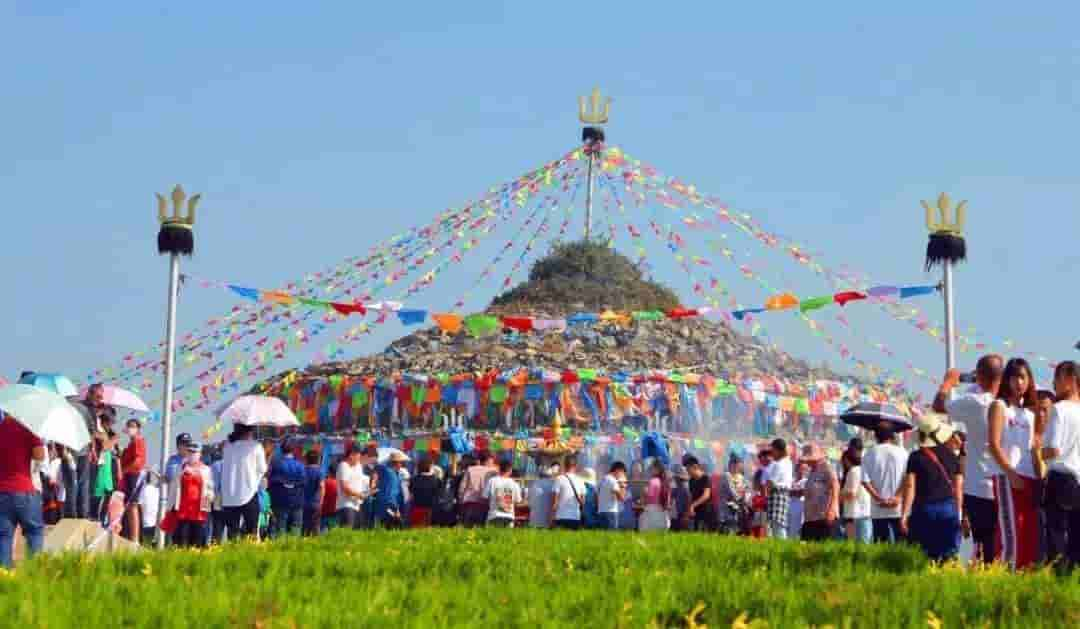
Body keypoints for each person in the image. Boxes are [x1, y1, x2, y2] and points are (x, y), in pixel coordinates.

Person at [933, 354, 1003, 564]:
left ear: (979, 376)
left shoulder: (975, 402)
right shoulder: (1003, 402)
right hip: (1004, 482)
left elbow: (939, 405)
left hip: (978, 484)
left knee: (981, 544)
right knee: (1000, 542)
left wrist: (948, 382)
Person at [988, 358, 1042, 571]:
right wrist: (1010, 473)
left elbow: (1033, 448)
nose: (1019, 382)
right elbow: (993, 444)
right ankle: (1005, 579)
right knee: (1011, 533)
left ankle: (1024, 578)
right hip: (1007, 477)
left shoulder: (1029, 414)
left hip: (1029, 478)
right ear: (1006, 380)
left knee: (1028, 533)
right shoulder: (999, 406)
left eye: (1023, 377)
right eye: (1015, 377)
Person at [900, 415, 965, 561]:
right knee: (948, 553)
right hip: (948, 507)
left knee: (924, 553)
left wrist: (904, 514)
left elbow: (910, 486)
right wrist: (959, 512)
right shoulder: (952, 455)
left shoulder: (915, 457)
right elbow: (958, 487)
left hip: (923, 508)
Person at [1042, 361, 1080, 568]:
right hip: (1078, 481)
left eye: (1057, 378)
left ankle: (1057, 586)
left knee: (1056, 540)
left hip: (1060, 478)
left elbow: (1054, 449)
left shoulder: (1059, 410)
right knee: (1076, 543)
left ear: (1070, 380)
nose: (1054, 383)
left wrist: (1040, 451)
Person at [0, 414, 46, 568]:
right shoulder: (28, 428)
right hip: (23, 490)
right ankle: (33, 575)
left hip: (2, 492)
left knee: (3, 536)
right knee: (34, 532)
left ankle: (4, 579)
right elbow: (40, 456)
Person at [219, 425, 268, 540]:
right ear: (250, 431)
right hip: (249, 492)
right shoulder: (256, 446)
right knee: (252, 532)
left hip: (229, 495)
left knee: (232, 533)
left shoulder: (227, 447)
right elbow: (263, 469)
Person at [861, 428, 908, 543]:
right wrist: (897, 496)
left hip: (878, 509)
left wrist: (878, 498)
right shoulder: (902, 452)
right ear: (892, 437)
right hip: (898, 508)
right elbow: (907, 478)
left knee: (881, 546)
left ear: (876, 437)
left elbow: (865, 481)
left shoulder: (869, 453)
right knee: (902, 546)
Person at [167, 443, 213, 548]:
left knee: (197, 540)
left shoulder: (206, 469)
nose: (192, 454)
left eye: (194, 452)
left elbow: (210, 488)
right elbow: (174, 488)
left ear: (200, 454)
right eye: (190, 451)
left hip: (199, 510)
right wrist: (169, 507)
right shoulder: (181, 468)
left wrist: (210, 498)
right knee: (181, 539)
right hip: (183, 510)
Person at [796, 444, 838, 541]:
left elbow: (835, 486)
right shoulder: (812, 471)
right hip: (810, 517)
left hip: (823, 516)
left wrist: (832, 508)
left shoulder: (826, 467)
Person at [268, 440, 306, 538]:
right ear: (293, 450)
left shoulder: (276, 465)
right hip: (297, 502)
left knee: (280, 530)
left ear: (281, 450)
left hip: (279, 503)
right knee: (296, 530)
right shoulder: (300, 466)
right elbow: (304, 483)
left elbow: (270, 482)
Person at [119, 419, 147, 544]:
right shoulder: (131, 443)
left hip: (135, 474)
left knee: (133, 506)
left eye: (133, 426)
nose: (130, 428)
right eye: (128, 426)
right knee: (129, 506)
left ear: (138, 428)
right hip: (129, 475)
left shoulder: (138, 441)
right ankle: (131, 536)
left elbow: (137, 461)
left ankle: (135, 538)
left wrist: (124, 470)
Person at [841, 446, 872, 544]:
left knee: (855, 547)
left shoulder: (853, 471)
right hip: (865, 513)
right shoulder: (864, 470)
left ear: (846, 459)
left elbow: (852, 493)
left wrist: (839, 495)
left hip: (855, 515)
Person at [764, 438, 793, 540]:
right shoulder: (788, 462)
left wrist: (767, 485)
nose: (772, 453)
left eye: (773, 450)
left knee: (777, 525)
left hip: (777, 494)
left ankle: (781, 545)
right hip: (784, 494)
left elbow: (770, 483)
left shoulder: (779, 464)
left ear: (778, 450)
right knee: (779, 524)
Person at [369, 451, 407, 528]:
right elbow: (390, 494)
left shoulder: (395, 474)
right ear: (397, 463)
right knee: (394, 528)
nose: (402, 465)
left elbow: (376, 469)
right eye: (401, 463)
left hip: (388, 506)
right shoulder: (388, 472)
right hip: (389, 506)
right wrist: (395, 509)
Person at [458, 452, 496, 528]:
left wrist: (460, 500)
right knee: (481, 529)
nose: (493, 463)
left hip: (469, 503)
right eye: (492, 461)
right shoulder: (493, 472)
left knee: (466, 528)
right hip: (484, 504)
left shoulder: (470, 469)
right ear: (488, 460)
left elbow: (462, 487)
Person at [549, 456, 586, 530]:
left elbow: (554, 503)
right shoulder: (581, 480)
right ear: (575, 466)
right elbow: (583, 502)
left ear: (564, 465)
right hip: (575, 517)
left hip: (561, 517)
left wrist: (551, 518)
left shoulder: (559, 479)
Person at [336, 448, 369, 529]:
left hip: (357, 505)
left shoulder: (358, 466)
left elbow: (361, 483)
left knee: (357, 534)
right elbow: (345, 487)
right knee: (347, 532)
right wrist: (359, 495)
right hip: (346, 505)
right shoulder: (343, 466)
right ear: (351, 455)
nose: (359, 459)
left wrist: (367, 491)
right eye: (358, 456)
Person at [483, 459, 522, 527]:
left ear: (499, 469)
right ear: (510, 470)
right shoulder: (514, 483)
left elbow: (485, 497)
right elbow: (518, 501)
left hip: (494, 515)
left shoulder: (492, 481)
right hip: (509, 516)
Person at [715, 456, 749, 535]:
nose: (738, 468)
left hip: (738, 509)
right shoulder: (726, 476)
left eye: (739, 466)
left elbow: (747, 489)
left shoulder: (741, 477)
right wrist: (741, 500)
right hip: (727, 509)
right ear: (731, 465)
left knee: (738, 530)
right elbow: (731, 491)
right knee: (728, 530)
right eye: (736, 465)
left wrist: (746, 499)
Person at [639, 459, 671, 532]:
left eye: (651, 468)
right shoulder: (666, 483)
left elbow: (647, 499)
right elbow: (668, 502)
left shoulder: (652, 482)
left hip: (651, 516)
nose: (650, 470)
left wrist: (643, 494)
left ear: (656, 469)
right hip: (664, 517)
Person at [409, 457, 441, 529]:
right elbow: (438, 494)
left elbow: (411, 493)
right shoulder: (436, 480)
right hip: (432, 509)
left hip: (417, 507)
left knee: (416, 529)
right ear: (430, 467)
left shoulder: (414, 479)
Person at [300, 450, 325, 537]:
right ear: (318, 460)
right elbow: (321, 487)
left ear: (306, 459)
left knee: (304, 528)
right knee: (315, 527)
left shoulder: (302, 471)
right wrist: (321, 502)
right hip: (315, 503)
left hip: (303, 503)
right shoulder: (319, 472)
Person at [687, 459, 716, 532]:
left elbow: (706, 495)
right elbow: (691, 496)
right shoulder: (691, 480)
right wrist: (690, 508)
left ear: (695, 467)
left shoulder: (705, 478)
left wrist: (693, 505)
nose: (687, 472)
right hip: (696, 513)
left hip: (706, 512)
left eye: (688, 469)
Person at [597, 461, 627, 530]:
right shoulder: (613, 481)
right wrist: (623, 485)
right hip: (611, 514)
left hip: (601, 512)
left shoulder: (603, 479)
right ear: (618, 470)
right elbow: (622, 498)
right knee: (611, 537)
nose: (622, 475)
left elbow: (597, 496)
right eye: (622, 473)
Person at [528, 463, 557, 529]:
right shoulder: (553, 484)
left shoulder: (533, 484)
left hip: (534, 521)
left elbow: (529, 503)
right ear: (551, 475)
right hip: (548, 522)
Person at [139, 471, 161, 545]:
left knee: (146, 544)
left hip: (146, 524)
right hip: (156, 525)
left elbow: (140, 506)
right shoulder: (158, 490)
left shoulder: (143, 490)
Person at [670, 465, 692, 532]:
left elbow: (689, 502)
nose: (676, 480)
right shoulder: (676, 489)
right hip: (677, 513)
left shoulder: (685, 489)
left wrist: (686, 515)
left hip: (682, 514)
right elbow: (671, 496)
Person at [320, 462, 339, 533]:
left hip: (324, 511)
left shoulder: (325, 482)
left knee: (322, 532)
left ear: (329, 471)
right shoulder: (340, 484)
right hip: (335, 511)